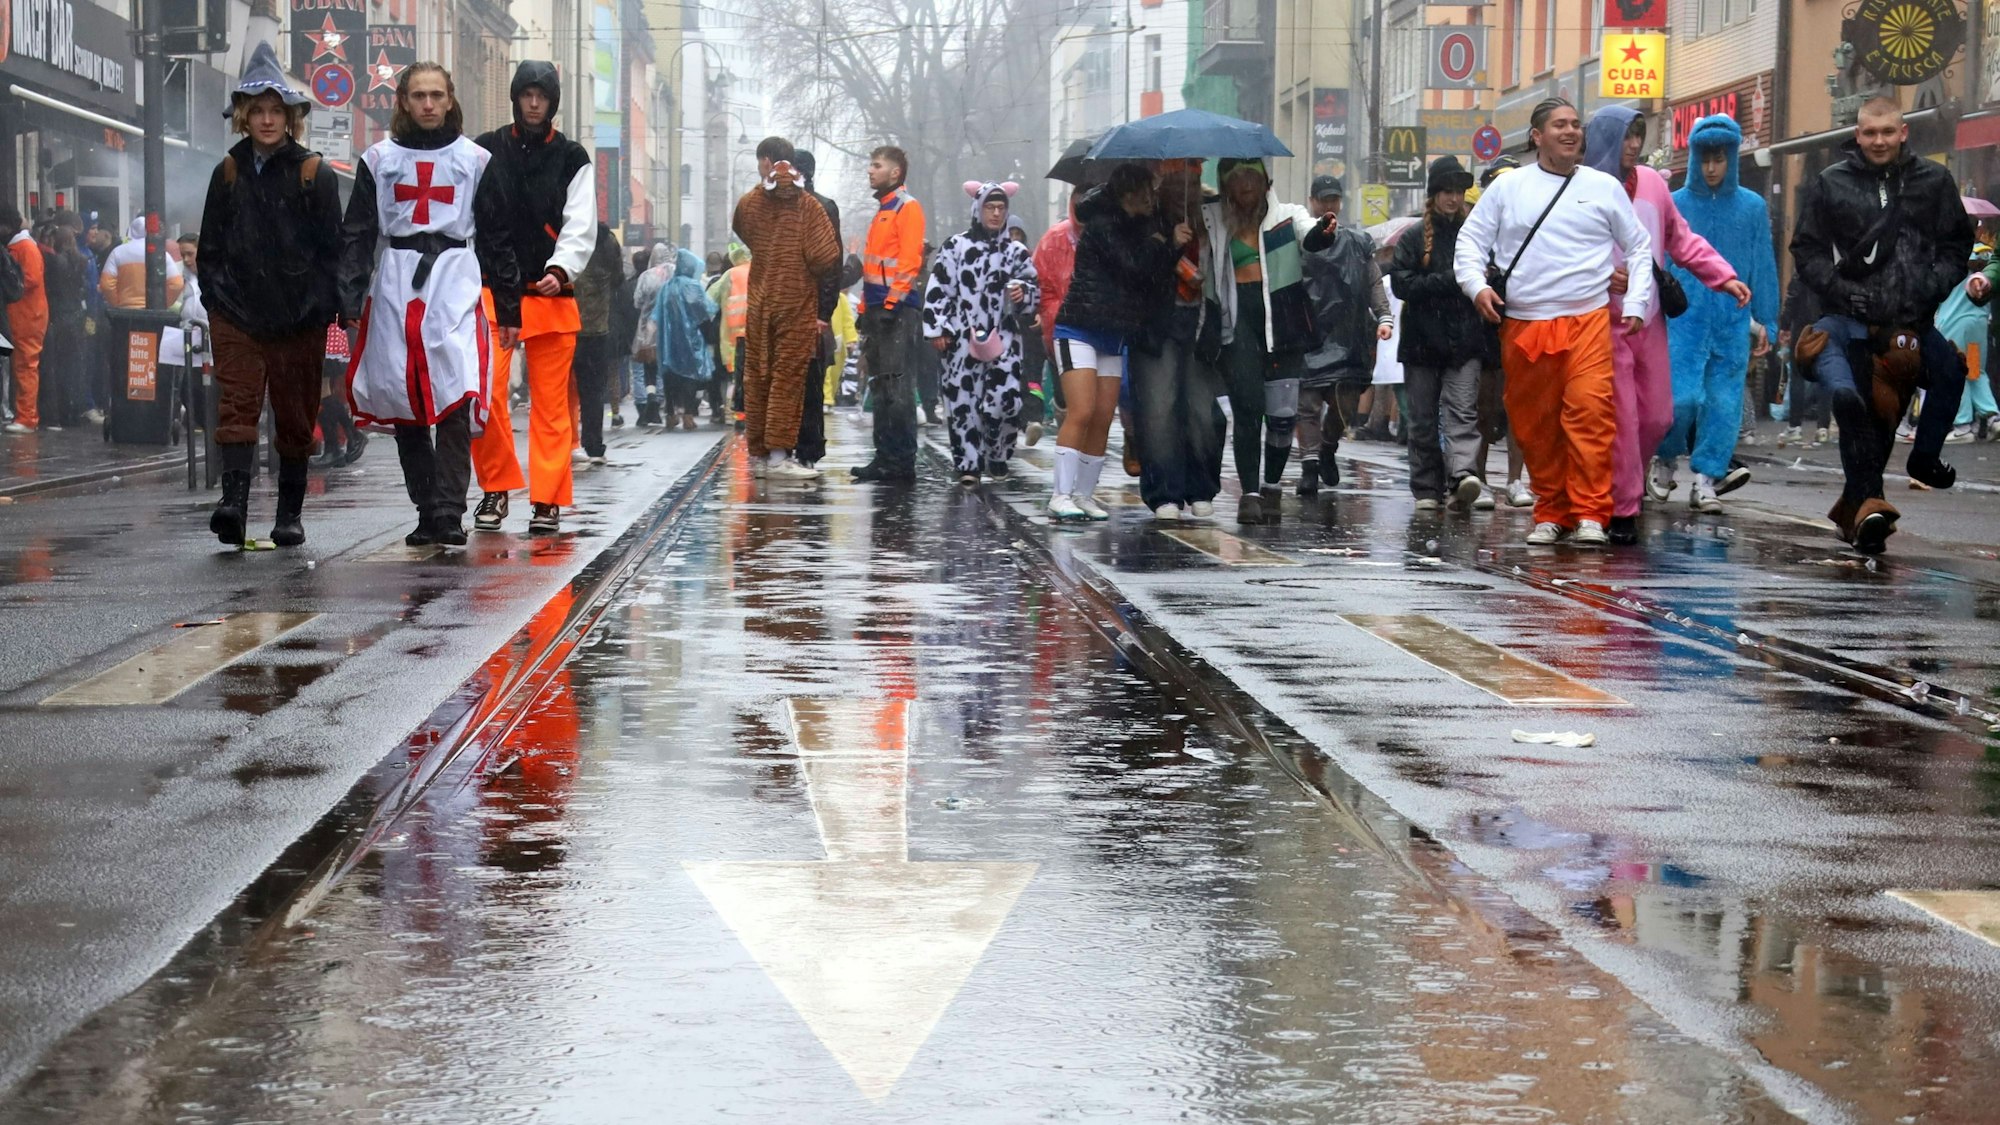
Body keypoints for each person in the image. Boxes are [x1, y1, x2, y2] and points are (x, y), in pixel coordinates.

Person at [1454, 97, 1654, 548]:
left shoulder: (1604, 187)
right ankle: (1553, 511)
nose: (1570, 132)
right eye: (1559, 125)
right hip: (1525, 323)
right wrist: (1476, 287)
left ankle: (1590, 514)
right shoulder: (1508, 189)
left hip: (1588, 319)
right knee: (1535, 426)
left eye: (1576, 125)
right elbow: (1470, 242)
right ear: (1536, 136)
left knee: (1590, 414)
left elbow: (1639, 248)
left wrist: (1637, 301)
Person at [339, 60, 521, 546]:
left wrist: (509, 305)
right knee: (406, 401)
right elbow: (357, 232)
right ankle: (426, 508)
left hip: (455, 280)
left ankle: (448, 508)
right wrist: (350, 295)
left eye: (436, 95)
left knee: (457, 393)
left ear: (449, 98)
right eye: (418, 95)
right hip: (397, 280)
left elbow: (498, 237)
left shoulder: (474, 161)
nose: (427, 104)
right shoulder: (379, 160)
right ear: (403, 101)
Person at [1794, 96, 1972, 552]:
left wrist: (1933, 285)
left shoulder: (1934, 180)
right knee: (1867, 413)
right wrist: (1838, 290)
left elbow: (1957, 243)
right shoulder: (1831, 182)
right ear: (1857, 135)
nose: (1879, 141)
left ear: (1903, 132)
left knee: (1950, 373)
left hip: (1913, 318)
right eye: (1870, 133)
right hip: (1853, 318)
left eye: (1887, 132)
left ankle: (1924, 460)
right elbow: (1807, 249)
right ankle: (1869, 510)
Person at [194, 42, 342, 546]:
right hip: (237, 315)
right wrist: (216, 301)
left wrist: (321, 308)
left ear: (290, 117)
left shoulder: (313, 174)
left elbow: (331, 253)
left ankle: (288, 516)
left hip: (299, 319)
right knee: (235, 406)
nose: (266, 119)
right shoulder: (227, 172)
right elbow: (209, 247)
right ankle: (232, 505)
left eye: (276, 110)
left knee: (296, 413)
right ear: (243, 115)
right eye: (257, 110)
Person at [1581, 106, 1745, 544]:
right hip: (1598, 319)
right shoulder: (1580, 188)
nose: (1634, 145)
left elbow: (1679, 236)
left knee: (1658, 416)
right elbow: (1562, 250)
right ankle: (1622, 508)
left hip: (1648, 318)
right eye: (1626, 137)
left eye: (1639, 136)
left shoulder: (1653, 184)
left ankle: (1621, 490)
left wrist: (1721, 275)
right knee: (1621, 416)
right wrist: (1601, 275)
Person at [469, 60, 595, 535]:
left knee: (550, 404)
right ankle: (496, 487)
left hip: (549, 293)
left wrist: (559, 268)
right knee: (488, 392)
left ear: (553, 101)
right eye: (527, 94)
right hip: (493, 290)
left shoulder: (572, 157)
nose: (535, 103)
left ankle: (546, 500)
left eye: (542, 95)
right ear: (516, 98)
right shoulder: (485, 151)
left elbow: (581, 222)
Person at [1650, 114, 1778, 514]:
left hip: (1732, 319)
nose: (1710, 168)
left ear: (1731, 159)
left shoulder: (1752, 208)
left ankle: (1706, 478)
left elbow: (1763, 265)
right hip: (1682, 319)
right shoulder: (1675, 203)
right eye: (1705, 159)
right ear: (1694, 159)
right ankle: (1666, 457)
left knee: (1723, 405)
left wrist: (1767, 320)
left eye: (1719, 159)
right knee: (1681, 399)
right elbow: (1660, 262)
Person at [1050, 162, 1186, 520]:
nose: (1152, 198)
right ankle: (1060, 494)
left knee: (1102, 417)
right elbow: (1132, 267)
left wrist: (1171, 248)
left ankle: (1084, 494)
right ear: (1129, 194)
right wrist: (1163, 244)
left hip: (1112, 333)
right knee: (1080, 411)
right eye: (1147, 192)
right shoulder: (1103, 226)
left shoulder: (1138, 227)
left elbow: (1149, 276)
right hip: (1078, 328)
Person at [1199, 158, 1329, 524]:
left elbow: (1310, 234)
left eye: (1251, 175)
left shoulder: (1287, 215)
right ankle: (1251, 494)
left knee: (1283, 416)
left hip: (1284, 323)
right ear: (1225, 185)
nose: (1245, 183)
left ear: (1265, 180)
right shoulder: (1212, 219)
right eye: (1236, 177)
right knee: (1247, 407)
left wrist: (1324, 232)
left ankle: (1272, 484)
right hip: (1237, 324)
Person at [732, 135, 841, 479]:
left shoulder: (752, 203)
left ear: (765, 161)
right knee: (787, 377)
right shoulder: (806, 205)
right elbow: (826, 257)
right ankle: (780, 455)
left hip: (761, 297)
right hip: (795, 300)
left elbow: (741, 224)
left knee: (758, 374)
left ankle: (762, 452)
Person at [1388, 156, 1488, 511]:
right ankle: (1427, 488)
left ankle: (1462, 474)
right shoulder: (1414, 236)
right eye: (1447, 191)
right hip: (1421, 342)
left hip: (1465, 340)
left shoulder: (1475, 232)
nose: (1453, 198)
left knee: (1463, 412)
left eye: (1459, 191)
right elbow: (1401, 282)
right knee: (1423, 419)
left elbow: (1491, 272)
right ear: (1434, 194)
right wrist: (1448, 282)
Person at [923, 180, 1039, 483]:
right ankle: (968, 465)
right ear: (978, 208)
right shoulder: (956, 246)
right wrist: (938, 329)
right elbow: (939, 290)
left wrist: (1023, 295)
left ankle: (998, 452)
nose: (996, 213)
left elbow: (1035, 290)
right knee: (962, 402)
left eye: (1001, 207)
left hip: (1005, 337)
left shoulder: (1016, 251)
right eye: (990, 206)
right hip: (961, 338)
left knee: (1006, 399)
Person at [1129, 158, 1225, 520]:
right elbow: (1138, 272)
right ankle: (1163, 491)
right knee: (1159, 408)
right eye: (1174, 185)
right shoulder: (1144, 223)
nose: (1181, 194)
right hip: (1157, 323)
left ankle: (1201, 486)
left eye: (1189, 185)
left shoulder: (1214, 221)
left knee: (1202, 409)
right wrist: (1170, 245)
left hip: (1201, 321)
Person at [1300, 174, 1393, 498]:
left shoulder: (1356, 242)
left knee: (1345, 404)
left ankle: (1328, 447)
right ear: (1312, 202)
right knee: (1308, 402)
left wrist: (1383, 315)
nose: (1329, 205)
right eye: (1323, 199)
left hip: (1349, 333)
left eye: (1334, 199)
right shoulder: (1298, 239)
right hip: (1309, 334)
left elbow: (1372, 281)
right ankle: (1310, 466)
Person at [853, 145, 927, 483]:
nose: (870, 170)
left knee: (896, 389)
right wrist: (867, 310)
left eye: (876, 165)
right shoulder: (885, 210)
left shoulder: (906, 209)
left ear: (895, 173)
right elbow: (874, 270)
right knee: (881, 388)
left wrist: (891, 305)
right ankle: (885, 458)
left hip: (897, 313)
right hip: (881, 311)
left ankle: (901, 460)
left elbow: (910, 263)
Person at [793, 149, 846, 468]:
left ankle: (806, 446)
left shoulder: (819, 207)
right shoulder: (818, 205)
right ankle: (807, 447)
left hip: (806, 305)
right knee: (805, 378)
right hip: (806, 305)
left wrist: (823, 312)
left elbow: (830, 264)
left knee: (805, 378)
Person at [634, 248, 718, 431]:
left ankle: (670, 413)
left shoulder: (668, 286)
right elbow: (706, 310)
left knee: (670, 375)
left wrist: (648, 337)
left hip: (668, 339)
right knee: (689, 375)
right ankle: (688, 413)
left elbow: (655, 315)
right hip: (690, 338)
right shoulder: (692, 286)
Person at [571, 222, 624, 465]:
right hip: (597, 328)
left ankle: (564, 442)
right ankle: (593, 445)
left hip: (567, 324)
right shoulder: (607, 241)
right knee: (593, 391)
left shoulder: (569, 236)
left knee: (560, 390)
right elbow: (618, 278)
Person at [34, 213, 87, 430]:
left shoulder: (54, 262)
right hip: (76, 317)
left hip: (58, 317)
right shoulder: (81, 261)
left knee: (55, 366)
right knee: (73, 366)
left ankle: (57, 414)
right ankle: (73, 411)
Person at [2, 203, 46, 435]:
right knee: (22, 365)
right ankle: (23, 413)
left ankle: (27, 416)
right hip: (24, 314)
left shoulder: (23, 248)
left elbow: (28, 279)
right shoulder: (21, 246)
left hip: (26, 315)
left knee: (25, 365)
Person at [612, 245, 655, 427]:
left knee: (637, 371)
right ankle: (655, 401)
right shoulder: (655, 283)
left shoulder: (626, 286)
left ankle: (642, 406)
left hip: (632, 334)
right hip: (652, 332)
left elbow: (624, 310)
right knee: (654, 368)